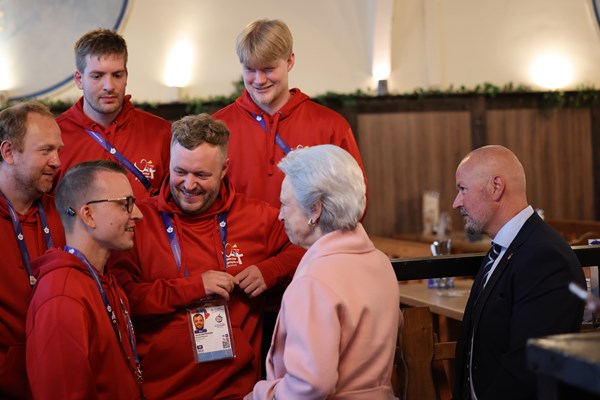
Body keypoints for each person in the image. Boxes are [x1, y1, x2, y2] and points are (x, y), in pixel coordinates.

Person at [108, 113, 304, 399]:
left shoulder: (257, 217)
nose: (188, 185)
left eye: (201, 175)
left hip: (236, 389)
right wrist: (194, 287)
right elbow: (125, 301)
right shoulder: (137, 220)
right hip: (159, 390)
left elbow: (313, 246)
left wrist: (272, 269)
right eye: (180, 172)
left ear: (225, 168)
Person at [245, 145, 400, 400]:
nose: (280, 216)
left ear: (314, 209)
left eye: (285, 204)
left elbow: (310, 385)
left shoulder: (314, 280)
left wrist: (262, 394)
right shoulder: (379, 261)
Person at [451, 145, 586, 400]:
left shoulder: (546, 257)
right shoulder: (503, 248)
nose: (456, 202)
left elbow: (527, 370)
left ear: (496, 187)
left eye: (462, 189)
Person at [212, 18, 366, 209]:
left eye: (268, 69)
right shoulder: (216, 128)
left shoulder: (331, 126)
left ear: (290, 61)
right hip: (237, 239)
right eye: (250, 69)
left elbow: (355, 200)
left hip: (309, 240)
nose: (259, 80)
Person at [26, 160, 144, 399]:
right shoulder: (62, 295)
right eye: (125, 204)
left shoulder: (103, 280)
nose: (138, 214)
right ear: (88, 215)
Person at [55, 28, 172, 200]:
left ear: (126, 76)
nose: (109, 86)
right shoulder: (55, 136)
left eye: (117, 75)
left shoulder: (162, 132)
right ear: (79, 79)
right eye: (97, 76)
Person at [0, 101, 65, 399]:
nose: (57, 161)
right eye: (45, 151)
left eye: (58, 150)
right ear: (9, 153)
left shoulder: (67, 212)